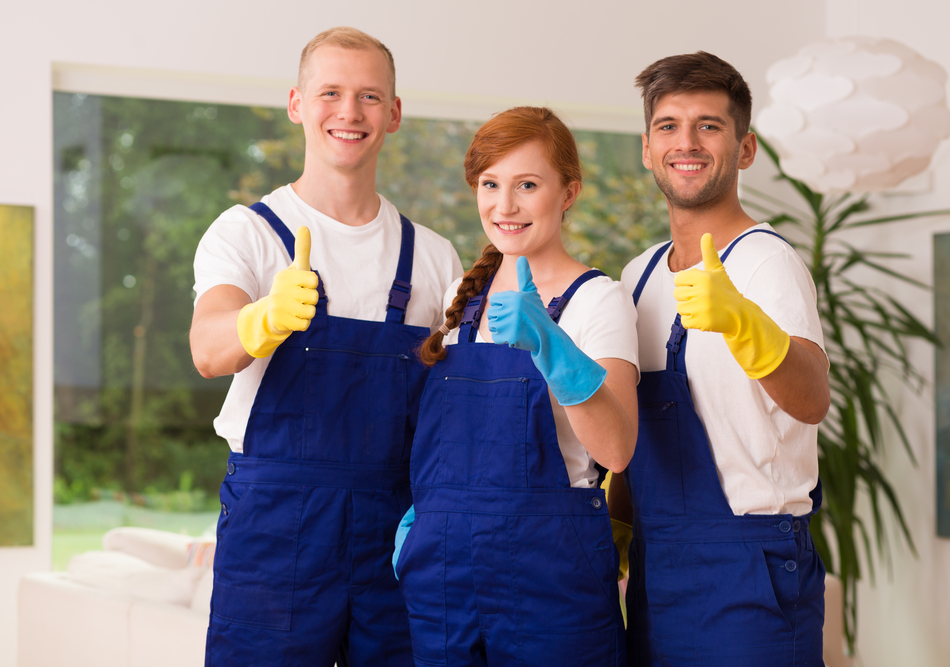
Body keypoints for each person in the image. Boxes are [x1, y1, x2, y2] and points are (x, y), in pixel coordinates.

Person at [189, 26, 463, 666]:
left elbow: (451, 416)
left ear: (393, 114)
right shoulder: (249, 233)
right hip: (275, 529)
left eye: (370, 96)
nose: (349, 112)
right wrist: (264, 319)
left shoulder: (432, 256)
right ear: (297, 103)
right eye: (330, 92)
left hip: (396, 531)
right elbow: (207, 347)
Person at [392, 106, 638, 666]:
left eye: (528, 184)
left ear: (568, 191)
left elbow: (617, 449)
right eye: (490, 184)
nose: (505, 206)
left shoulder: (598, 299)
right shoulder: (460, 298)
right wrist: (423, 520)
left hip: (552, 578)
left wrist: (552, 344)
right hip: (445, 580)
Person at [611, 51, 831, 666]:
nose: (688, 142)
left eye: (709, 125)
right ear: (649, 149)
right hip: (658, 566)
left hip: (750, 565)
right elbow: (636, 427)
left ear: (745, 148)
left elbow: (813, 396)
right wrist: (615, 531)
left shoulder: (767, 262)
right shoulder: (640, 274)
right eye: (668, 126)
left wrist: (744, 323)